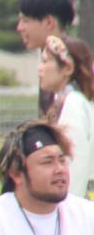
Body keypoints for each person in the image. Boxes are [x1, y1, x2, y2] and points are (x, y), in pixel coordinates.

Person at [38, 35, 94, 197]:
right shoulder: (65, 101)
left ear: (67, 68)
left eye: (45, 61)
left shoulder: (73, 103)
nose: (40, 68)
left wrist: (66, 208)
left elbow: (74, 163)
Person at [17, 0, 76, 115]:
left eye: (25, 20)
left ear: (49, 22)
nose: (19, 28)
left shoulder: (76, 67)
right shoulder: (51, 64)